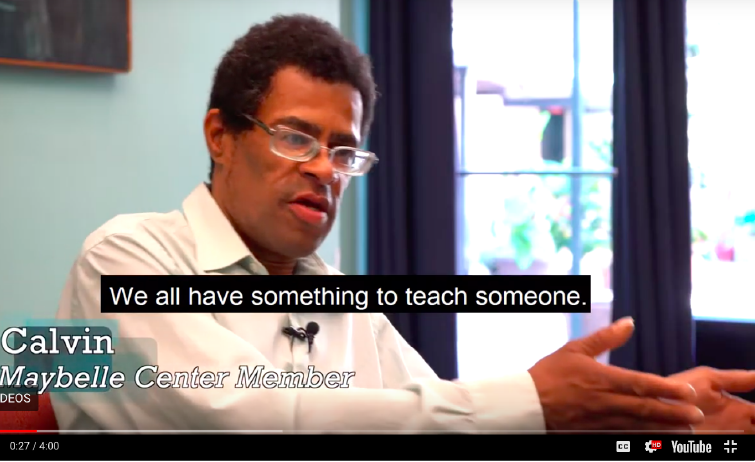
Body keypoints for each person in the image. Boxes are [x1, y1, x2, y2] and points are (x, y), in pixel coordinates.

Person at [54, 14, 755, 433]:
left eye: (343, 151)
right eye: (296, 139)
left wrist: (653, 418)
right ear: (221, 136)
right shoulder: (124, 260)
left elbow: (445, 422)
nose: (325, 170)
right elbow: (257, 420)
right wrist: (533, 399)